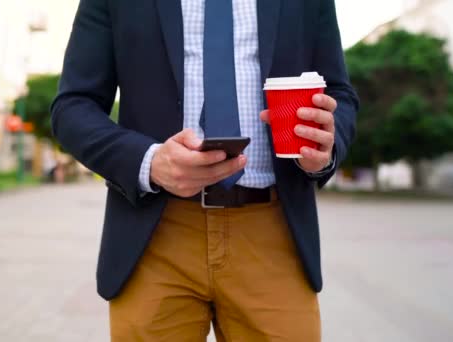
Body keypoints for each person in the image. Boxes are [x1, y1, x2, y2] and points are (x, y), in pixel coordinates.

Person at [51, 0, 358, 340]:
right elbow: (73, 107)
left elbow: (338, 92)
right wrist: (149, 161)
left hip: (273, 231)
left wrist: (324, 144)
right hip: (154, 234)